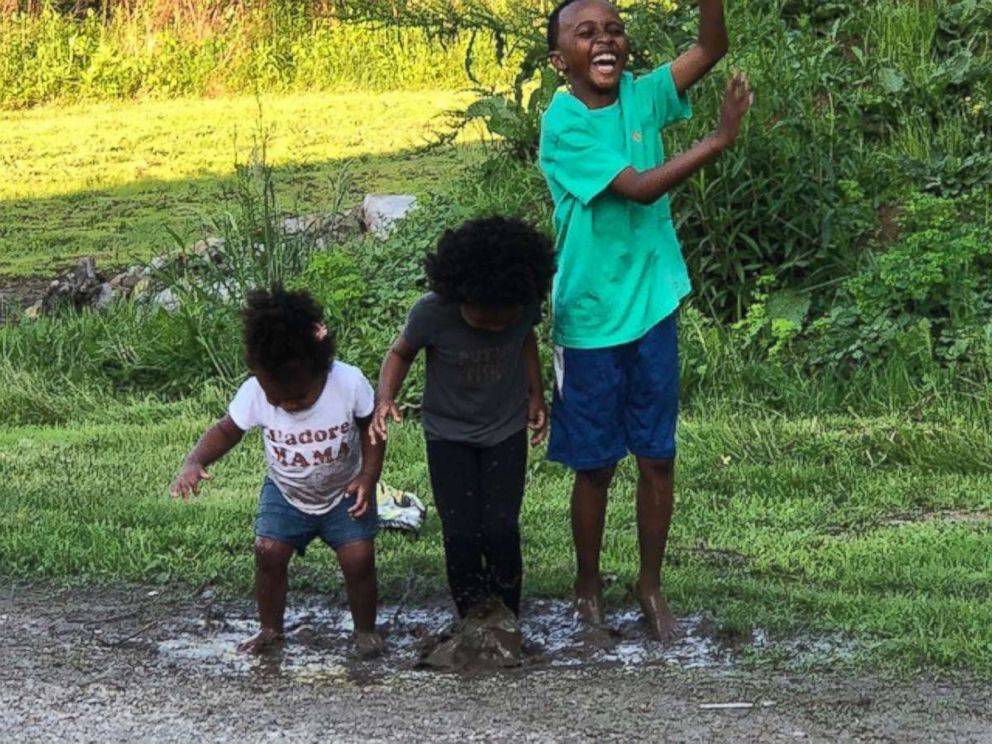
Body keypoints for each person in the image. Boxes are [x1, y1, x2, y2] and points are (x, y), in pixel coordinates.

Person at [540, 0, 752, 641]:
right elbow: (637, 187)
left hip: (653, 305)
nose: (604, 40)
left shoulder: (644, 94)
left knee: (658, 456)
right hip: (591, 318)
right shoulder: (564, 123)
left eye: (614, 29)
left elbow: (709, 48)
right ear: (560, 61)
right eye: (585, 34)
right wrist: (718, 140)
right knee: (596, 465)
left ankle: (650, 587)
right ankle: (587, 587)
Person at [170, 286, 385, 656]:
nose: (287, 404)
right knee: (268, 553)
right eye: (277, 398)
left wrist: (368, 476)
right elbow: (227, 430)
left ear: (320, 369)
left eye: (299, 396)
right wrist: (194, 461)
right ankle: (270, 629)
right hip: (286, 493)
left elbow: (372, 428)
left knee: (359, 558)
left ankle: (365, 631)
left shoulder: (347, 383)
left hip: (344, 493)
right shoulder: (254, 392)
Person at [372, 216, 556, 623]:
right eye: (484, 319)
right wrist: (385, 398)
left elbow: (525, 340)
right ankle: (470, 616)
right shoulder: (431, 314)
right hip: (447, 435)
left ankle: (508, 617)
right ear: (459, 293)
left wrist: (536, 395)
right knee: (460, 533)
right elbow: (400, 353)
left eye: (502, 320)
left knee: (501, 530)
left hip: (505, 430)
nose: (495, 326)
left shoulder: (523, 305)